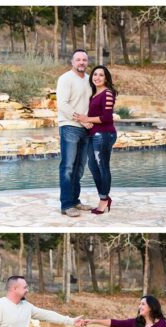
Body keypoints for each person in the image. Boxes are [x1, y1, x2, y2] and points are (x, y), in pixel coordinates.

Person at [73, 65, 118, 215]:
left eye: (101, 75)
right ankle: (104, 197)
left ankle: (104, 200)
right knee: (93, 166)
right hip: (94, 135)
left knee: (103, 166)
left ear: (106, 78)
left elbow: (106, 117)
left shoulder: (108, 93)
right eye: (95, 74)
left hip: (104, 135)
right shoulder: (94, 94)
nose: (97, 77)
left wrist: (86, 118)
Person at [56, 49, 96, 218]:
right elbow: (63, 105)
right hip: (70, 127)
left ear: (87, 62)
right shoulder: (65, 79)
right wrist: (82, 120)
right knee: (68, 167)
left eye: (84, 60)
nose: (81, 62)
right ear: (72, 62)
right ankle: (66, 205)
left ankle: (75, 200)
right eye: (78, 59)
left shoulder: (89, 80)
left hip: (86, 129)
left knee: (79, 167)